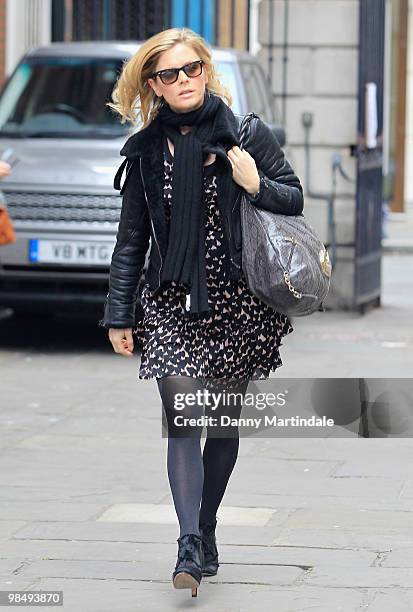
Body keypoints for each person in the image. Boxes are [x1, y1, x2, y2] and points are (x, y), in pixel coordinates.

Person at [99, 27, 304, 597]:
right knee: (183, 413)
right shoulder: (143, 153)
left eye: (191, 69)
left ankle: (207, 523)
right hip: (169, 301)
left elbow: (294, 198)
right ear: (153, 86)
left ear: (206, 72)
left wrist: (254, 181)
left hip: (237, 303)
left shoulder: (244, 134)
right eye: (169, 74)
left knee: (223, 425)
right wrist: (120, 313)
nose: (183, 81)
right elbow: (131, 237)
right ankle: (189, 542)